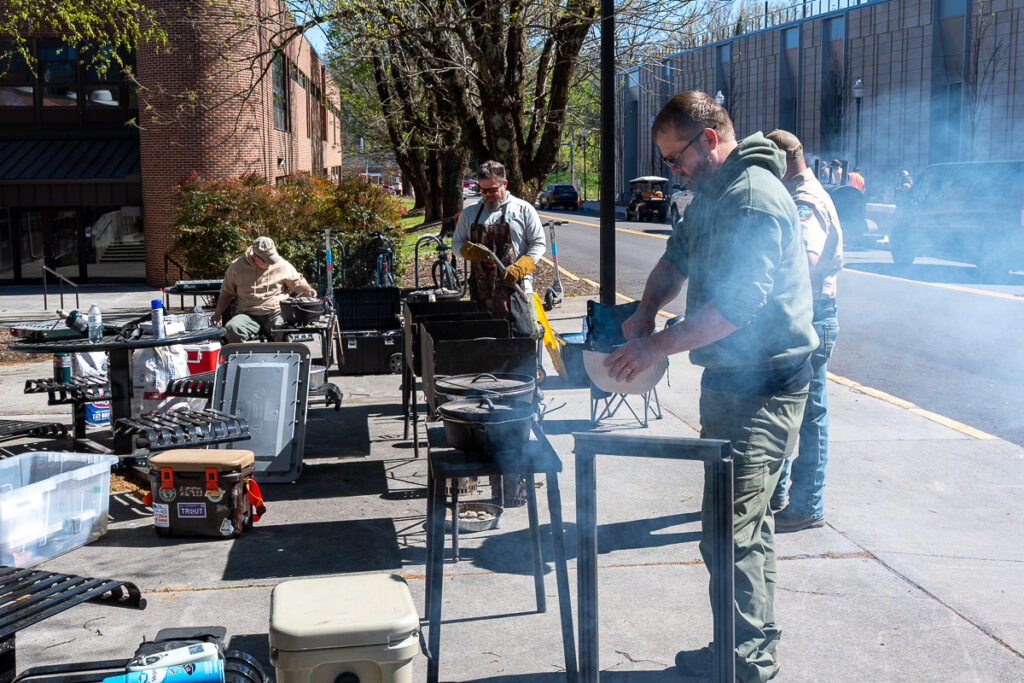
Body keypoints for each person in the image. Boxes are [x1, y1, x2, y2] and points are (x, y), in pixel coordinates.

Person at [605, 91, 816, 682]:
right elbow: (675, 260)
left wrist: (653, 346)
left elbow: (736, 310)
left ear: (710, 140)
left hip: (767, 387)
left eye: (677, 158)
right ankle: (744, 646)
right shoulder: (710, 195)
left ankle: (744, 663)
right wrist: (646, 310)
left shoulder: (752, 199)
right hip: (730, 382)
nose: (674, 170)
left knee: (729, 530)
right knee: (744, 528)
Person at [765, 130, 843, 533]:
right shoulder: (797, 195)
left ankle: (807, 504)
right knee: (786, 409)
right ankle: (777, 494)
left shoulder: (804, 201)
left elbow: (805, 260)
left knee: (808, 414)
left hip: (809, 317)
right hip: (803, 315)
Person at [452, 160, 546, 337]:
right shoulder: (469, 214)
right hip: (481, 292)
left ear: (505, 184)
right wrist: (468, 251)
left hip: (515, 290)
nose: (488, 195)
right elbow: (456, 245)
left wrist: (521, 267)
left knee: (520, 339)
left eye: (493, 189)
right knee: (485, 343)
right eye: (483, 190)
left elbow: (539, 243)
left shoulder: (524, 210)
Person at [213, 236, 317, 344]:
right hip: (248, 314)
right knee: (231, 329)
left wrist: (308, 290)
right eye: (266, 261)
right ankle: (244, 358)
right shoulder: (236, 267)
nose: (270, 263)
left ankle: (281, 357)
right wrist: (217, 314)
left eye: (272, 259)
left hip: (276, 312)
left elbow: (298, 283)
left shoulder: (282, 265)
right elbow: (226, 293)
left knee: (284, 330)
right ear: (255, 256)